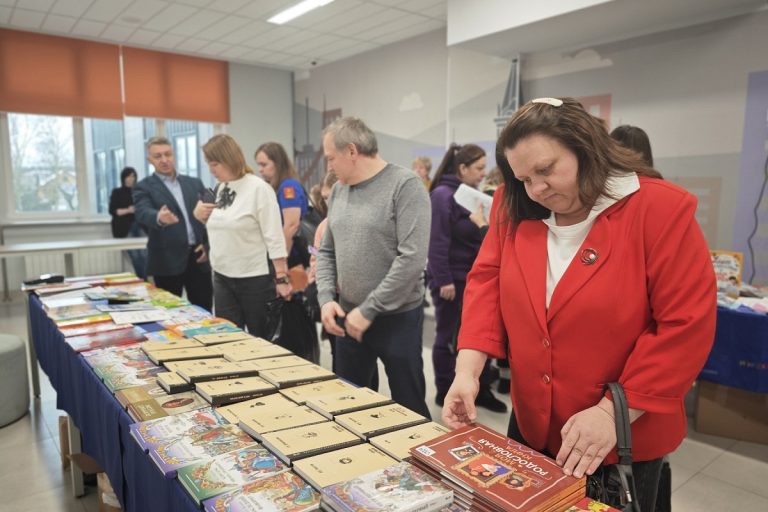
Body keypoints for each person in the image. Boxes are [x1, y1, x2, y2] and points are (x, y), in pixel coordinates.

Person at [442, 97, 716, 511]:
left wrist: (609, 415)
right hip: (533, 423)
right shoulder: (513, 205)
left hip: (619, 437)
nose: (536, 189)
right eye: (523, 178)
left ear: (585, 147)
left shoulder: (659, 210)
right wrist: (468, 371)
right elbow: (487, 284)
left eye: (546, 170)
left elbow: (684, 325)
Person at [317, 117, 431, 418]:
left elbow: (412, 259)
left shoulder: (405, 186)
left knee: (409, 407)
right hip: (347, 314)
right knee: (349, 404)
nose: (328, 166)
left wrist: (369, 309)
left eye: (331, 158)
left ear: (352, 151)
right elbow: (327, 251)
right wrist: (327, 298)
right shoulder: (340, 191)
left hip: (397, 317)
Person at [427, 143, 506, 413]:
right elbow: (436, 242)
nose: (484, 173)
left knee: (476, 338)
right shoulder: (442, 195)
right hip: (452, 280)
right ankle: (444, 389)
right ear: (462, 168)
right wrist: (444, 280)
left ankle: (479, 390)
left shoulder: (471, 195)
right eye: (479, 168)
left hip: (473, 279)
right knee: (447, 336)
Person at [193, 134, 291, 336]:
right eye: (208, 164)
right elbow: (219, 228)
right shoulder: (220, 188)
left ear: (230, 159)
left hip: (253, 278)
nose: (211, 170)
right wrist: (199, 215)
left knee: (261, 340)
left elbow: (274, 236)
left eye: (215, 164)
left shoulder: (258, 189)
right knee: (227, 338)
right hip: (221, 275)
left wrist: (281, 277)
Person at [133, 137, 213, 311]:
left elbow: (209, 217)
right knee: (169, 314)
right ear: (150, 160)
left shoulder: (194, 183)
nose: (164, 160)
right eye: (158, 156)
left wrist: (207, 246)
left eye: (168, 154)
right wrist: (159, 217)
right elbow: (142, 212)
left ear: (174, 155)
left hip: (198, 258)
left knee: (205, 311)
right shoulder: (143, 187)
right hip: (166, 261)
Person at [255, 142, 310, 269]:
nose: (260, 169)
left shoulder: (288, 187)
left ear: (278, 164)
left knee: (294, 288)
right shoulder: (276, 187)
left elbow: (291, 225)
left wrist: (281, 262)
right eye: (259, 165)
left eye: (264, 164)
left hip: (292, 256)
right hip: (287, 254)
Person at [109, 166, 147, 280]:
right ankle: (143, 280)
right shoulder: (117, 192)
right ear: (123, 178)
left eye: (133, 176)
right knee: (135, 255)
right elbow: (113, 211)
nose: (131, 179)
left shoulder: (139, 191)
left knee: (145, 253)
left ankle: (144, 279)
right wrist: (128, 210)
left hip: (139, 225)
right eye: (129, 176)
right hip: (125, 227)